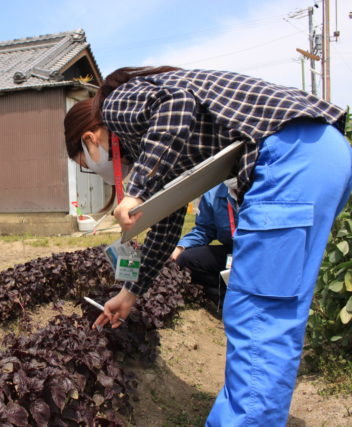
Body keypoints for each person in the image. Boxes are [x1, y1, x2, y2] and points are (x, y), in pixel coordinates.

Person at [63, 67, 352, 426]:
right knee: (275, 311)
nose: (95, 170)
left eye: (85, 166)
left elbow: (177, 102)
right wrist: (129, 293)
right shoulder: (160, 144)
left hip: (288, 158)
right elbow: (166, 226)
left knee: (257, 316)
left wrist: (135, 187)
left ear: (90, 139)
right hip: (321, 154)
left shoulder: (114, 104)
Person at [170, 181, 238, 307]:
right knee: (186, 259)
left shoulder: (265, 189)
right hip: (233, 253)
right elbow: (204, 230)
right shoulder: (213, 193)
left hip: (263, 254)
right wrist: (179, 248)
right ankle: (225, 293)